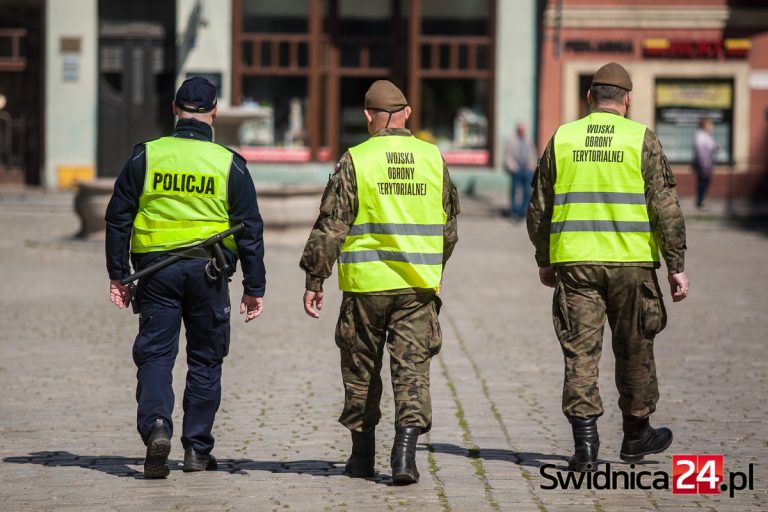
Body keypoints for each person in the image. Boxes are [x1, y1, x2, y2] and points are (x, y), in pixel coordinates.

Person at [527, 62, 689, 472]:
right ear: (627, 100)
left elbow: (539, 208)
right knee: (635, 347)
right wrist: (676, 266)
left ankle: (585, 446)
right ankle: (636, 436)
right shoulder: (641, 140)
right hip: (631, 265)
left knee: (580, 351)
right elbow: (665, 207)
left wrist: (545, 259)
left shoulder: (563, 138)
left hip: (575, 264)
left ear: (589, 98)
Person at [105, 76, 267, 479]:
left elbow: (118, 217)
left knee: (157, 356)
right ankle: (196, 449)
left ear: (175, 109)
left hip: (155, 274)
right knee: (206, 361)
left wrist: (119, 274)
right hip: (208, 274)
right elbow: (249, 227)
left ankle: (157, 425)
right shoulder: (230, 164)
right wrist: (254, 287)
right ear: (214, 112)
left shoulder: (147, 156)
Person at [300, 80, 460, 484]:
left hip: (365, 288)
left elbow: (332, 225)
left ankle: (361, 458)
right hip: (416, 289)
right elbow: (450, 227)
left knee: (360, 369)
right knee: (412, 370)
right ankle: (404, 457)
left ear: (369, 116)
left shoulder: (356, 159)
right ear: (407, 113)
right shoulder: (432, 158)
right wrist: (433, 268)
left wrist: (315, 279)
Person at [503, 122, 538, 218]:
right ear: (517, 130)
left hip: (527, 169)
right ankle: (514, 211)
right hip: (516, 169)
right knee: (515, 191)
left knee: (527, 191)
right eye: (520, 130)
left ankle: (523, 211)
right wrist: (512, 167)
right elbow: (507, 155)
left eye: (523, 130)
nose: (522, 132)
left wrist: (532, 165)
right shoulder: (511, 140)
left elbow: (533, 154)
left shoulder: (528, 140)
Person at [692, 116, 719, 209]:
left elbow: (711, 147)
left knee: (705, 182)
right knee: (702, 183)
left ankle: (702, 201)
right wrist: (703, 164)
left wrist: (715, 147)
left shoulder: (707, 135)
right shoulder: (700, 136)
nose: (711, 126)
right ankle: (700, 202)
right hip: (703, 164)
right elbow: (700, 150)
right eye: (709, 124)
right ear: (704, 125)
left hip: (708, 163)